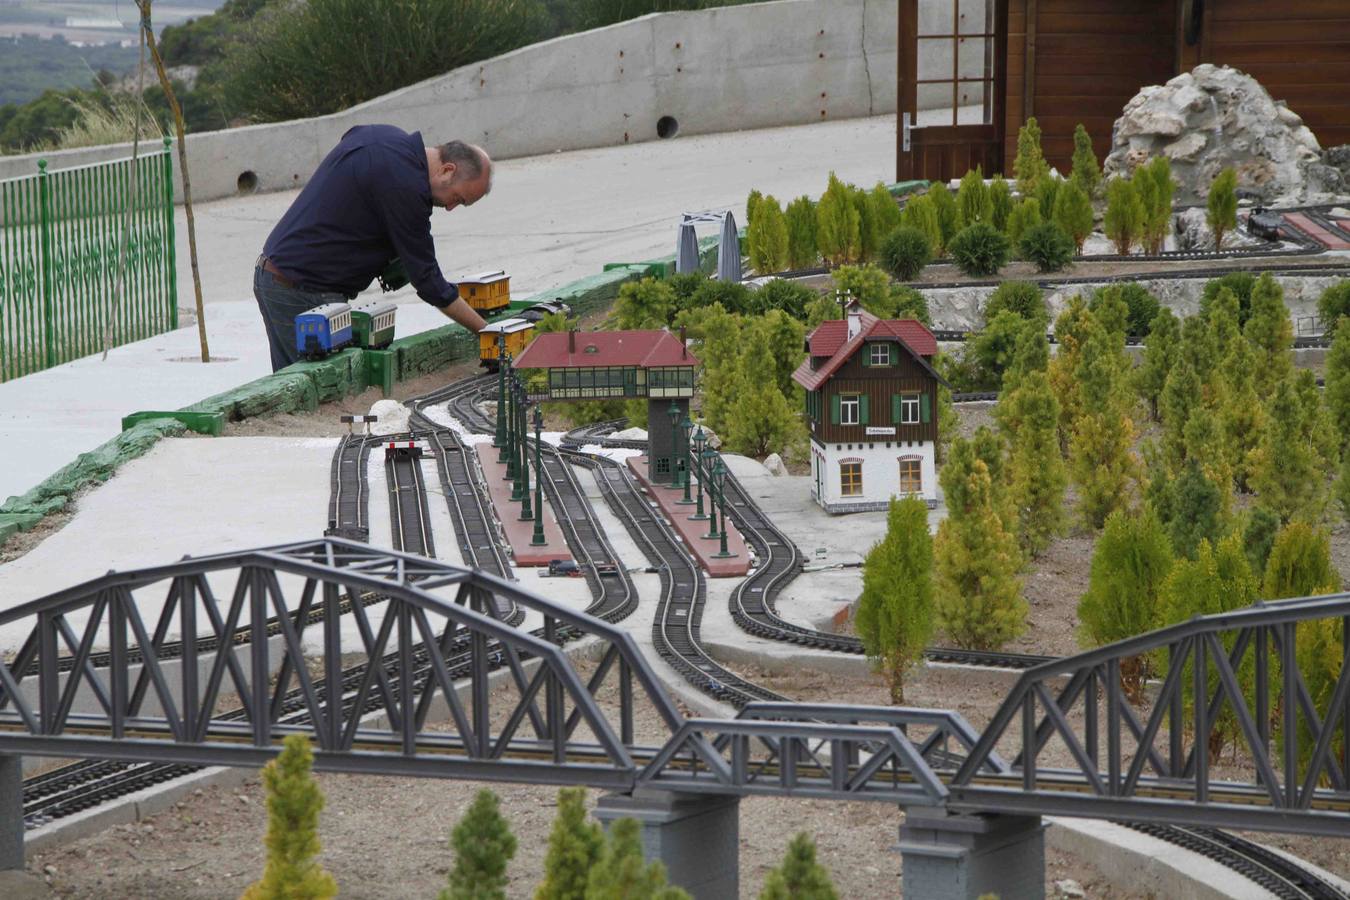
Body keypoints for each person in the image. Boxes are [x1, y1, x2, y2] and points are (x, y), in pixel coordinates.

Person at [254, 124, 491, 371]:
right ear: (447, 170)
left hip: (280, 274)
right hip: (301, 288)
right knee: (316, 385)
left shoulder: (385, 136)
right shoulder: (406, 186)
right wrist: (487, 332)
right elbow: (429, 282)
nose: (451, 208)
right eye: (457, 198)